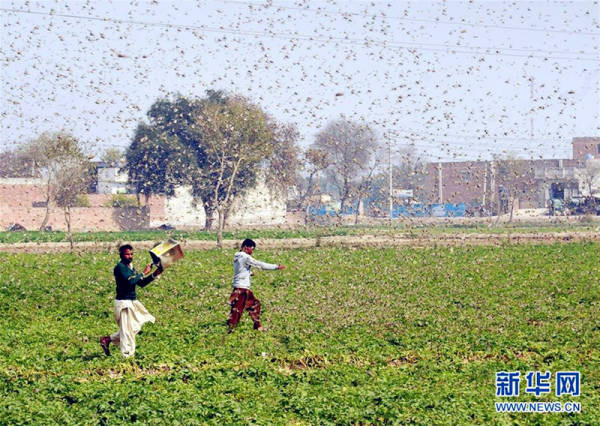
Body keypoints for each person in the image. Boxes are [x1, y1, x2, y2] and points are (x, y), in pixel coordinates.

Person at [100, 244, 162, 357]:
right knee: (127, 332)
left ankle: (107, 339)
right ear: (121, 255)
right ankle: (127, 357)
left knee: (133, 328)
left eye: (131, 254)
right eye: (127, 254)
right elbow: (130, 282)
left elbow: (140, 283)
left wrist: (154, 274)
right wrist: (143, 273)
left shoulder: (131, 268)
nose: (130, 256)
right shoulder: (120, 268)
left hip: (132, 301)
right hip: (123, 303)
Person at [227, 238, 285, 332]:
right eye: (251, 249)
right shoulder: (245, 257)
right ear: (246, 248)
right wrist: (275, 267)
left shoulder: (237, 256)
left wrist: (249, 272)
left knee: (255, 304)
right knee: (237, 311)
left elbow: (240, 268)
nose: (252, 252)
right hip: (241, 289)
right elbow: (259, 264)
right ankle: (229, 331)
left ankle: (257, 326)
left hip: (242, 288)